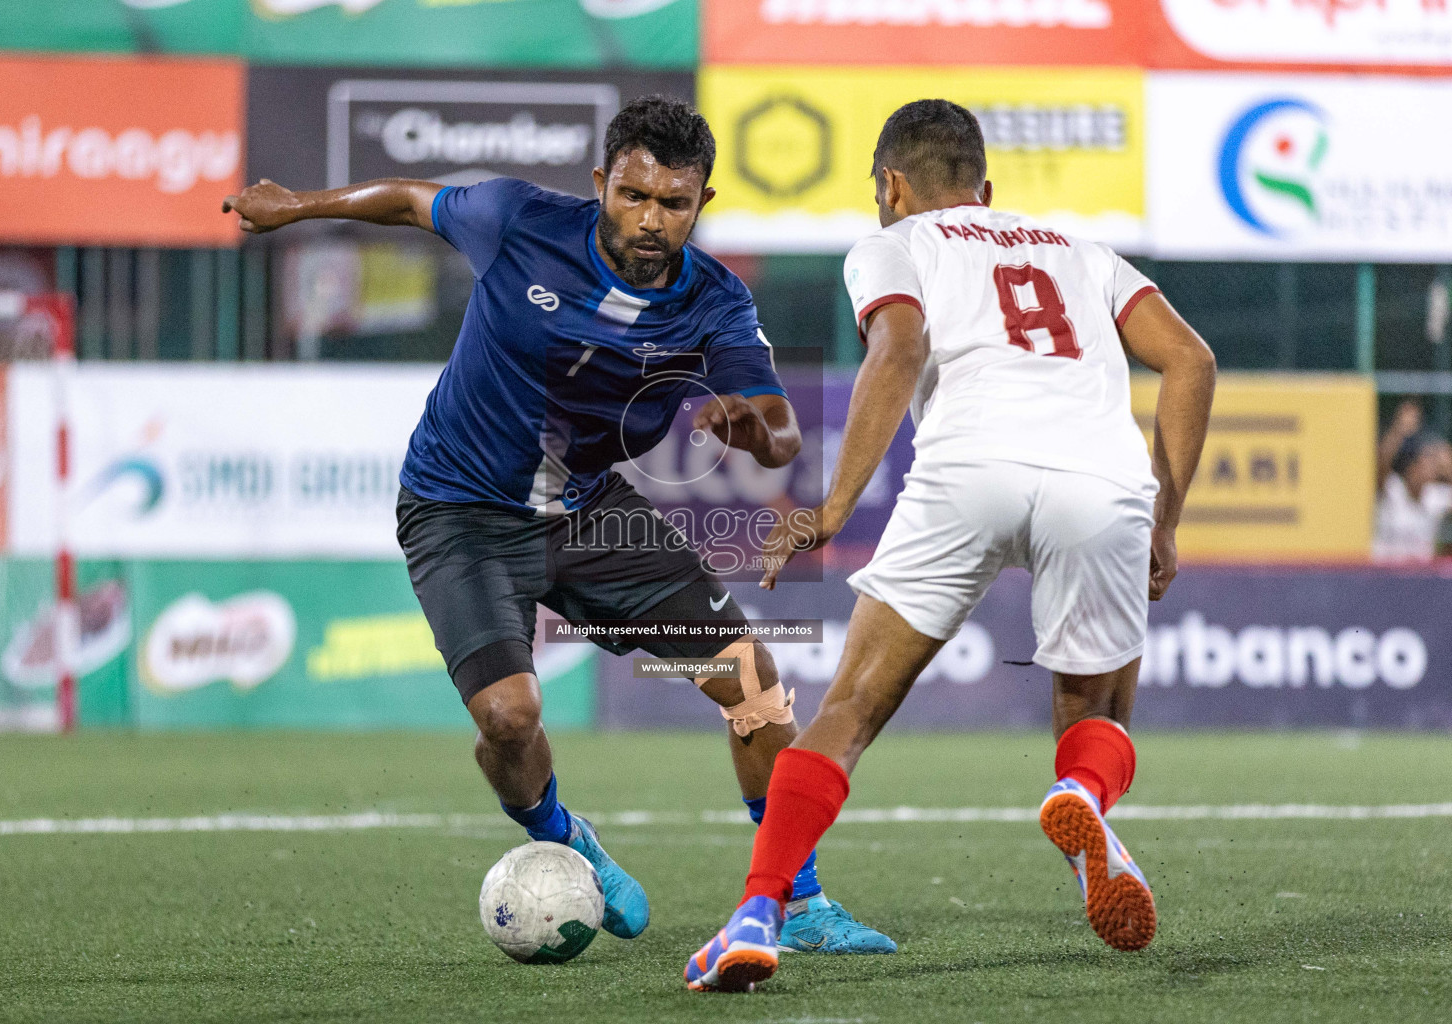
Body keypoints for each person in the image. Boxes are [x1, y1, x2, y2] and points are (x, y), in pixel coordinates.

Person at [222, 96, 892, 954]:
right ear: (600, 183)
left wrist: (757, 428)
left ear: (702, 203)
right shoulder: (515, 219)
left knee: (754, 687)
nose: (651, 220)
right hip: (457, 508)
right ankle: (566, 837)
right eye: (634, 195)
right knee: (508, 715)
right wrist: (298, 208)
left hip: (588, 510)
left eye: (674, 204)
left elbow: (776, 422)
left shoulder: (714, 303)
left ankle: (796, 900)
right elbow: (406, 200)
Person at [686, 99, 1216, 992]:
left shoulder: (895, 246)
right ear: (987, 188)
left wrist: (831, 504)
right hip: (1102, 480)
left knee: (847, 712)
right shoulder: (1085, 254)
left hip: (969, 469)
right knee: (1094, 716)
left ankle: (760, 911)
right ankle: (1082, 800)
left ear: (892, 187)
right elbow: (1192, 360)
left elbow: (897, 352)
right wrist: (1164, 519)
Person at [1374, 400, 1452, 562]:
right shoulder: (1393, 489)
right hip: (1383, 575)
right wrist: (1398, 430)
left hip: (1420, 579)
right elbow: (1381, 463)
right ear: (1410, 468)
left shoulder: (1435, 496)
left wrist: (1448, 464)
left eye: (1431, 465)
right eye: (1423, 463)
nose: (1427, 470)